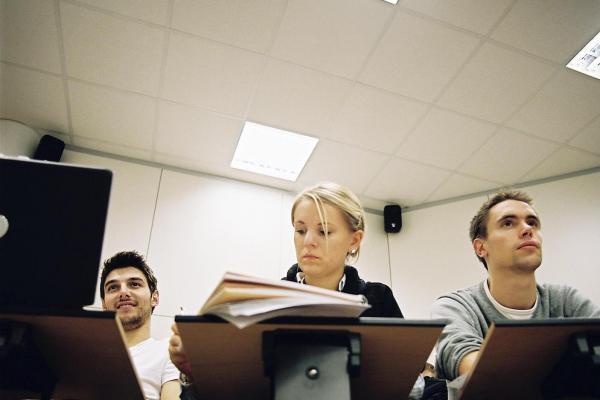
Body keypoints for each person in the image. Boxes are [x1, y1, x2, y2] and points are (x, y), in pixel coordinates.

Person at [169, 182, 403, 398]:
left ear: (354, 240)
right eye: (300, 230)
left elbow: (405, 384)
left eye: (324, 231)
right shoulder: (265, 303)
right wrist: (194, 372)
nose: (308, 241)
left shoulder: (379, 299)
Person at [431, 191, 600, 381]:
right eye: (508, 223)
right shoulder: (455, 306)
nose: (527, 229)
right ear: (481, 247)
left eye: (532, 223)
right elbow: (473, 367)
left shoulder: (565, 300)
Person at [101, 251, 180, 400]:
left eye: (135, 284)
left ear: (154, 298)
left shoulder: (170, 352)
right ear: (104, 304)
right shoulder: (85, 355)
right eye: (113, 287)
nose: (123, 292)